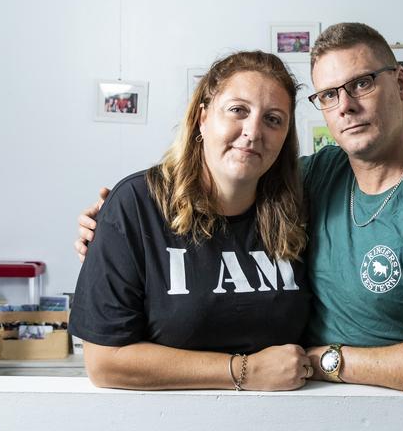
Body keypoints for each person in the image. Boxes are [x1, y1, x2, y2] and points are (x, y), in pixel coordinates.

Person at [76, 23, 403, 394]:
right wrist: (110, 228)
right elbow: (105, 358)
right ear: (202, 117)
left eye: (363, 83)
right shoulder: (311, 180)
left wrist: (319, 362)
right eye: (330, 94)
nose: (346, 105)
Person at [69, 51, 314, 391]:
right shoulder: (137, 205)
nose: (253, 131)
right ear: (202, 117)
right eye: (238, 110)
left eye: (273, 119)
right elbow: (105, 362)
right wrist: (244, 371)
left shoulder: (300, 209)